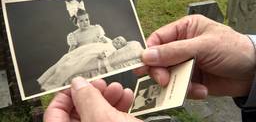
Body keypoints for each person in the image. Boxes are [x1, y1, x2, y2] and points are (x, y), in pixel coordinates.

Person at [44, 15, 256, 122]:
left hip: (103, 48)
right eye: (81, 21)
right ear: (76, 22)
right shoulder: (75, 36)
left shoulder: (97, 28)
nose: (85, 22)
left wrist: (112, 43)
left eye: (86, 19)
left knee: (134, 46)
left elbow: (106, 39)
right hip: (85, 52)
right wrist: (249, 77)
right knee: (76, 62)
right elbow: (71, 49)